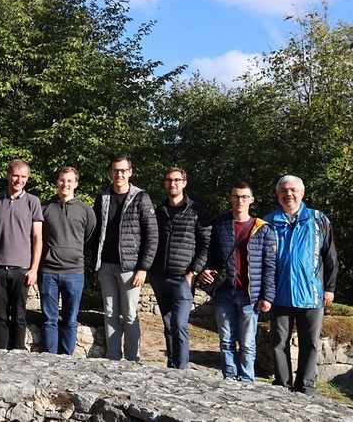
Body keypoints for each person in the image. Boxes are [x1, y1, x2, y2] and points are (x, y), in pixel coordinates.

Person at [264, 175, 338, 396]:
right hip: (279, 294)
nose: (289, 194)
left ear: (302, 193)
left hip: (311, 293)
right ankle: (282, 384)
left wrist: (330, 288)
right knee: (278, 342)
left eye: (293, 190)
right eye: (283, 190)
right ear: (277, 195)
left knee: (310, 344)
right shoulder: (267, 222)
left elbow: (331, 256)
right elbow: (260, 261)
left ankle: (306, 387)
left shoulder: (318, 219)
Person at [200, 181, 276, 382]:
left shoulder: (262, 229)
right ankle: (229, 378)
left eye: (244, 197)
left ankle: (247, 380)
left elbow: (270, 266)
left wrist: (267, 296)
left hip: (250, 293)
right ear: (230, 199)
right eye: (236, 196)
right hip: (223, 290)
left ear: (251, 200)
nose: (240, 200)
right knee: (226, 340)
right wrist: (205, 268)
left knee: (247, 342)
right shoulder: (219, 224)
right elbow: (209, 254)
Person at [91, 154, 157, 362]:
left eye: (123, 170)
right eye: (115, 170)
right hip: (106, 266)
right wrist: (95, 266)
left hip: (130, 267)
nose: (119, 174)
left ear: (130, 172)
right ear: (110, 172)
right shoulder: (103, 197)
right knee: (110, 313)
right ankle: (113, 358)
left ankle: (132, 359)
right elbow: (96, 234)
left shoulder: (141, 197)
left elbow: (152, 235)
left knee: (129, 314)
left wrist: (143, 268)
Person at [150, 166, 211, 369]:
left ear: (184, 183)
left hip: (182, 278)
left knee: (179, 325)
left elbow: (206, 244)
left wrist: (193, 272)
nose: (172, 183)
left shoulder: (197, 210)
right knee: (168, 325)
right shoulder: (159, 211)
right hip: (159, 277)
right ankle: (172, 366)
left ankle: (181, 370)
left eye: (177, 180)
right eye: (169, 180)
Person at [39, 166, 96, 355]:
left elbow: (89, 238)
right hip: (48, 272)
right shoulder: (44, 208)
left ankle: (66, 360)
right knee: (49, 319)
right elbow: (37, 238)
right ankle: (49, 357)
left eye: (70, 181)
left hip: (74, 273)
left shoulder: (86, 211)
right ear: (57, 182)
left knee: (70, 320)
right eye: (62, 180)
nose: (65, 184)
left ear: (76, 184)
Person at [0, 159, 43, 351]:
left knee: (19, 315)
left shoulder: (33, 202)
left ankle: (18, 353)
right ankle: (0, 352)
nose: (19, 180)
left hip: (22, 270)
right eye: (15, 175)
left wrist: (34, 268)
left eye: (23, 176)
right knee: (1, 315)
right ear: (8, 175)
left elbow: (37, 237)